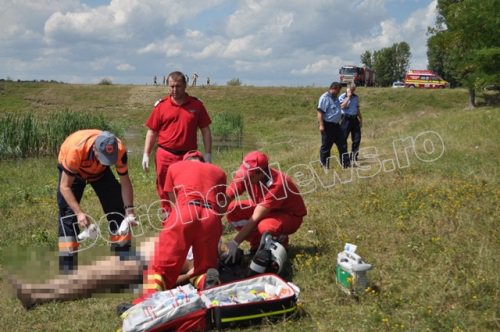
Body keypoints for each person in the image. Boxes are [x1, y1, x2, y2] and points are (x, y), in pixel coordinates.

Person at [135, 151, 226, 303]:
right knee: (203, 268)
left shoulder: (175, 167)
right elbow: (221, 205)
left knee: (160, 268)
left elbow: (173, 203)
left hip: (185, 211)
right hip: (211, 215)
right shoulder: (219, 172)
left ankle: (147, 301)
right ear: (202, 161)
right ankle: (207, 285)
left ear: (186, 160)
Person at [11, 237, 195, 309]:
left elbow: (176, 277)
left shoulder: (198, 262)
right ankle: (34, 291)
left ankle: (35, 295)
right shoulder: (200, 239)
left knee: (88, 280)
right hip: (135, 258)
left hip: (138, 266)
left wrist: (186, 276)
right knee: (86, 276)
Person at [57, 130, 137, 274]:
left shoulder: (119, 150)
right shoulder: (76, 151)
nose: (107, 160)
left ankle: (124, 259)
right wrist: (79, 213)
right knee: (68, 217)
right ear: (95, 148)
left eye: (109, 159)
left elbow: (125, 182)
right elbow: (64, 187)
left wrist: (129, 211)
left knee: (117, 208)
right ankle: (67, 269)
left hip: (100, 173)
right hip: (75, 173)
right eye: (104, 158)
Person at [142, 71, 212, 215]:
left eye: (178, 86)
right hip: (165, 154)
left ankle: (188, 212)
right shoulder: (161, 106)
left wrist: (208, 154)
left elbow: (205, 130)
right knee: (164, 185)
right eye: (172, 86)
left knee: (190, 184)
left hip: (189, 156)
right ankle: (168, 213)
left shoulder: (196, 105)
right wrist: (146, 154)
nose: (174, 90)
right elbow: (152, 132)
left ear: (185, 86)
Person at [223, 151, 307, 263]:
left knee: (265, 227)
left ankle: (280, 244)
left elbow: (255, 218)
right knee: (233, 211)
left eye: (248, 176)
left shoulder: (277, 185)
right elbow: (225, 199)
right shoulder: (246, 177)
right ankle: (257, 245)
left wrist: (234, 243)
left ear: (260, 174)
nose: (244, 179)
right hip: (266, 209)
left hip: (289, 216)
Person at [317, 82, 350, 168]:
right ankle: (324, 165)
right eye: (338, 91)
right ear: (334, 88)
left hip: (337, 126)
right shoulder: (325, 98)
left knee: (342, 143)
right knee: (326, 146)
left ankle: (345, 164)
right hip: (327, 126)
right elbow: (320, 112)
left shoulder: (335, 98)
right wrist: (321, 125)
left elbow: (340, 107)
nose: (338, 93)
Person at [339, 83, 362, 164]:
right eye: (351, 89)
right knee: (343, 139)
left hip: (355, 119)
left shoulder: (356, 97)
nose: (353, 91)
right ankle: (344, 158)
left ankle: (354, 157)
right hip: (346, 119)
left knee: (357, 138)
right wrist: (348, 97)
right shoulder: (342, 96)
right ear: (347, 89)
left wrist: (361, 119)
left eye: (354, 89)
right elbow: (342, 106)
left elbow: (357, 108)